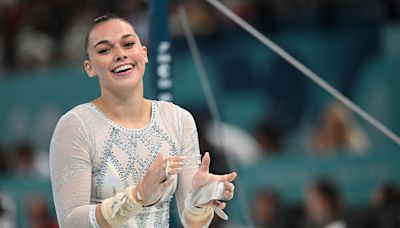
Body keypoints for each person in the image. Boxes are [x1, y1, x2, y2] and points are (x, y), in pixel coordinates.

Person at [49, 13, 236, 228]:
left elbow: (193, 223)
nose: (120, 54)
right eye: (104, 50)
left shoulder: (178, 119)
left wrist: (198, 203)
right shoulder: (76, 125)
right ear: (89, 67)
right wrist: (138, 196)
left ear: (144, 53)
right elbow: (71, 222)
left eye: (128, 44)